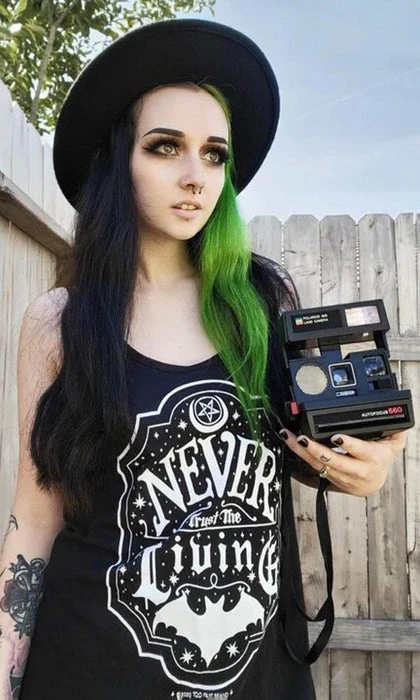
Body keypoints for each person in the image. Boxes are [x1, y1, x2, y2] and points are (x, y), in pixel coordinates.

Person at [0, 18, 407, 700]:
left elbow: (298, 453)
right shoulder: (61, 324)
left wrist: (361, 471)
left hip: (260, 675)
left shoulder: (264, 303)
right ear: (118, 160)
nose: (195, 177)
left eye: (215, 154)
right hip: (92, 672)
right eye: (166, 147)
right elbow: (34, 524)